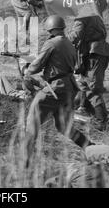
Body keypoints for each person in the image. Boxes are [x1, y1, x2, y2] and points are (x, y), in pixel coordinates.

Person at [24, 15, 92, 167]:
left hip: (55, 89)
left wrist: (27, 69)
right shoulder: (69, 43)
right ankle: (92, 149)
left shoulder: (51, 43)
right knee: (64, 126)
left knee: (32, 123)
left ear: (51, 28)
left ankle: (25, 161)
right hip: (69, 88)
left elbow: (37, 65)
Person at [69, 15, 109, 130]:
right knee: (83, 83)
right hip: (96, 52)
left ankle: (101, 120)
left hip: (94, 53)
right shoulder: (94, 14)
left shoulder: (82, 16)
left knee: (92, 88)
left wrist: (60, 38)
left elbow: (76, 36)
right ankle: (83, 109)